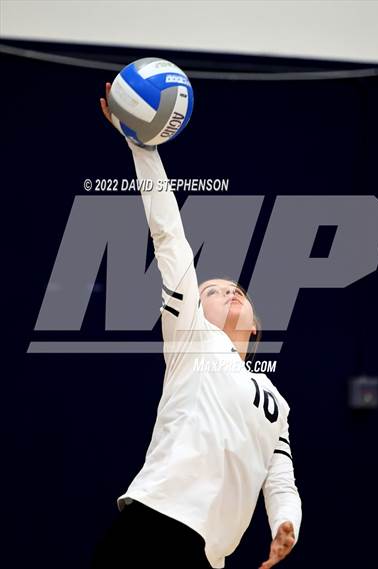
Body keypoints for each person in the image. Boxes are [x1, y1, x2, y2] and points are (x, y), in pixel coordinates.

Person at [91, 83, 302, 569]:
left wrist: (286, 522)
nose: (228, 292)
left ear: (256, 324)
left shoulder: (275, 401)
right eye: (212, 290)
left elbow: (280, 478)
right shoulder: (192, 339)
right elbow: (169, 236)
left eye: (236, 289)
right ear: (191, 309)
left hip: (206, 556)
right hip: (152, 527)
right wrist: (143, 149)